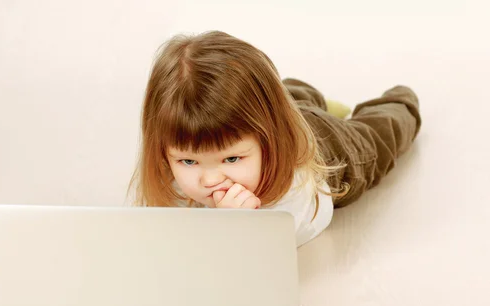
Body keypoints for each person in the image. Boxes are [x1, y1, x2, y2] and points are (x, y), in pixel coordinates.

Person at [128, 30, 422, 247]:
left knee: (379, 134)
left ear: (272, 144)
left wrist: (243, 228)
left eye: (231, 159)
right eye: (188, 161)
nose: (209, 180)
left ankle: (399, 102)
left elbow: (308, 227)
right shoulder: (181, 159)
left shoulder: (291, 184)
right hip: (285, 118)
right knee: (290, 96)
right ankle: (301, 97)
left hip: (332, 148)